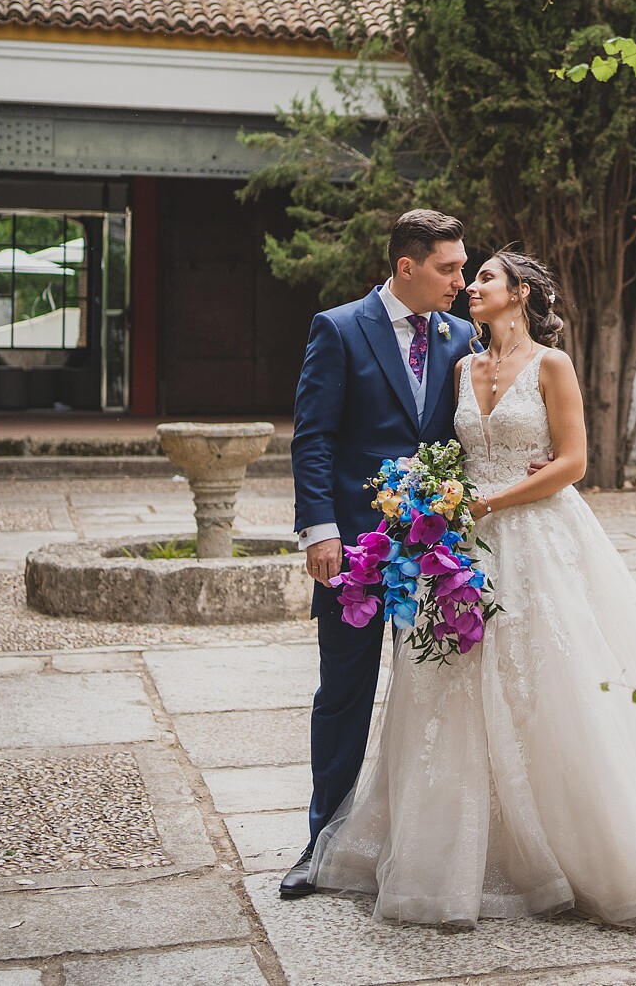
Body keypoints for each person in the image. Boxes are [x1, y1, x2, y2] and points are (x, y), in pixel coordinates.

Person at [307, 249, 636, 925]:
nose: (470, 286)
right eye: (468, 275)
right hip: (462, 548)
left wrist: (493, 501)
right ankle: (455, 851)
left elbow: (573, 462)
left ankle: (590, 850)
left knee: (552, 686)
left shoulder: (553, 365)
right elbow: (447, 451)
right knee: (449, 689)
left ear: (522, 293)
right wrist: (434, 503)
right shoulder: (459, 366)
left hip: (538, 537)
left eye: (484, 277)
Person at [281, 210, 478, 900]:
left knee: (435, 699)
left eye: (462, 266)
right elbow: (314, 438)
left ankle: (427, 845)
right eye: (449, 267)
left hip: (438, 553)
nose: (462, 280)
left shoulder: (462, 336)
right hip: (357, 555)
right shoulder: (338, 328)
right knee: (344, 695)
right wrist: (320, 529)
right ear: (406, 267)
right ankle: (321, 845)